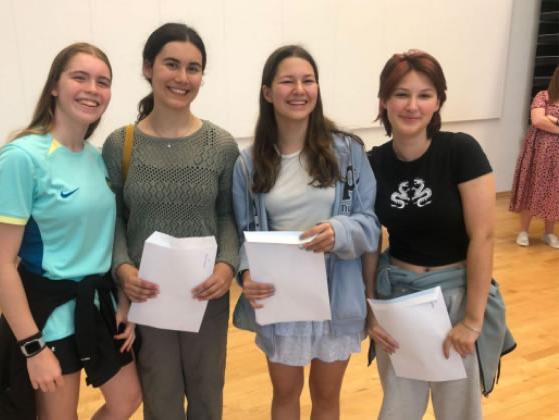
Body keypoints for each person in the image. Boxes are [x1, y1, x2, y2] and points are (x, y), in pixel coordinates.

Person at [0, 43, 142, 420]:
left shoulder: (96, 157)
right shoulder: (22, 157)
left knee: (127, 400)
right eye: (80, 77)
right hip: (49, 316)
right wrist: (33, 347)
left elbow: (105, 239)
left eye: (103, 81)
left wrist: (124, 301)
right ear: (55, 86)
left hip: (98, 307)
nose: (92, 89)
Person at [231, 45, 380, 420]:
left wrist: (339, 231)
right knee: (285, 395)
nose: (299, 90)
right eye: (288, 81)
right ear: (268, 92)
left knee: (326, 397)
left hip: (337, 294)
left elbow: (370, 225)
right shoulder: (248, 163)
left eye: (308, 80)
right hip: (280, 296)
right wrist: (246, 273)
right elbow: (244, 234)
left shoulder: (348, 151)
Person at [365, 50, 514, 420]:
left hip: (456, 300)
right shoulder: (374, 163)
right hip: (398, 300)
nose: (412, 105)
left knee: (458, 412)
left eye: (424, 95)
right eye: (401, 94)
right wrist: (372, 309)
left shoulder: (460, 151)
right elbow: (369, 242)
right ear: (383, 101)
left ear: (438, 102)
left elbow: (483, 237)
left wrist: (472, 320)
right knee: (398, 410)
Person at [102, 23, 240, 420]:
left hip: (205, 294)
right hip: (148, 296)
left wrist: (227, 265)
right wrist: (122, 268)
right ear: (148, 68)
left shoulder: (221, 144)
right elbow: (113, 219)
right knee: (160, 399)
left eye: (193, 68)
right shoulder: (120, 144)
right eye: (171, 64)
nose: (182, 77)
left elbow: (227, 214)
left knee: (207, 397)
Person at [509, 65, 559, 248]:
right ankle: (524, 231)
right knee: (532, 187)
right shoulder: (543, 96)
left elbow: (544, 120)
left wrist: (552, 119)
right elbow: (537, 120)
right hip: (537, 153)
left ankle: (549, 233)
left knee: (555, 191)